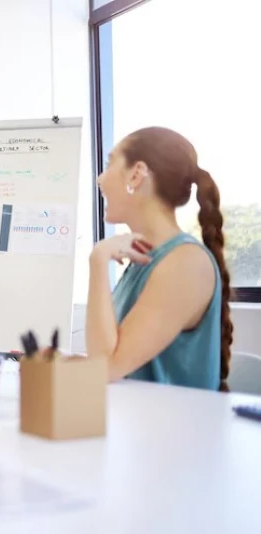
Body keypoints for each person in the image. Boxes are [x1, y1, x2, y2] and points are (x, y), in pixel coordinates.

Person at [86, 126, 233, 391]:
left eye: (109, 164)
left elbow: (105, 368)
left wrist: (98, 260)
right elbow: (104, 360)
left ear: (137, 174)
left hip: (170, 430)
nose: (100, 179)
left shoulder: (186, 263)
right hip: (134, 425)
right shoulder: (144, 260)